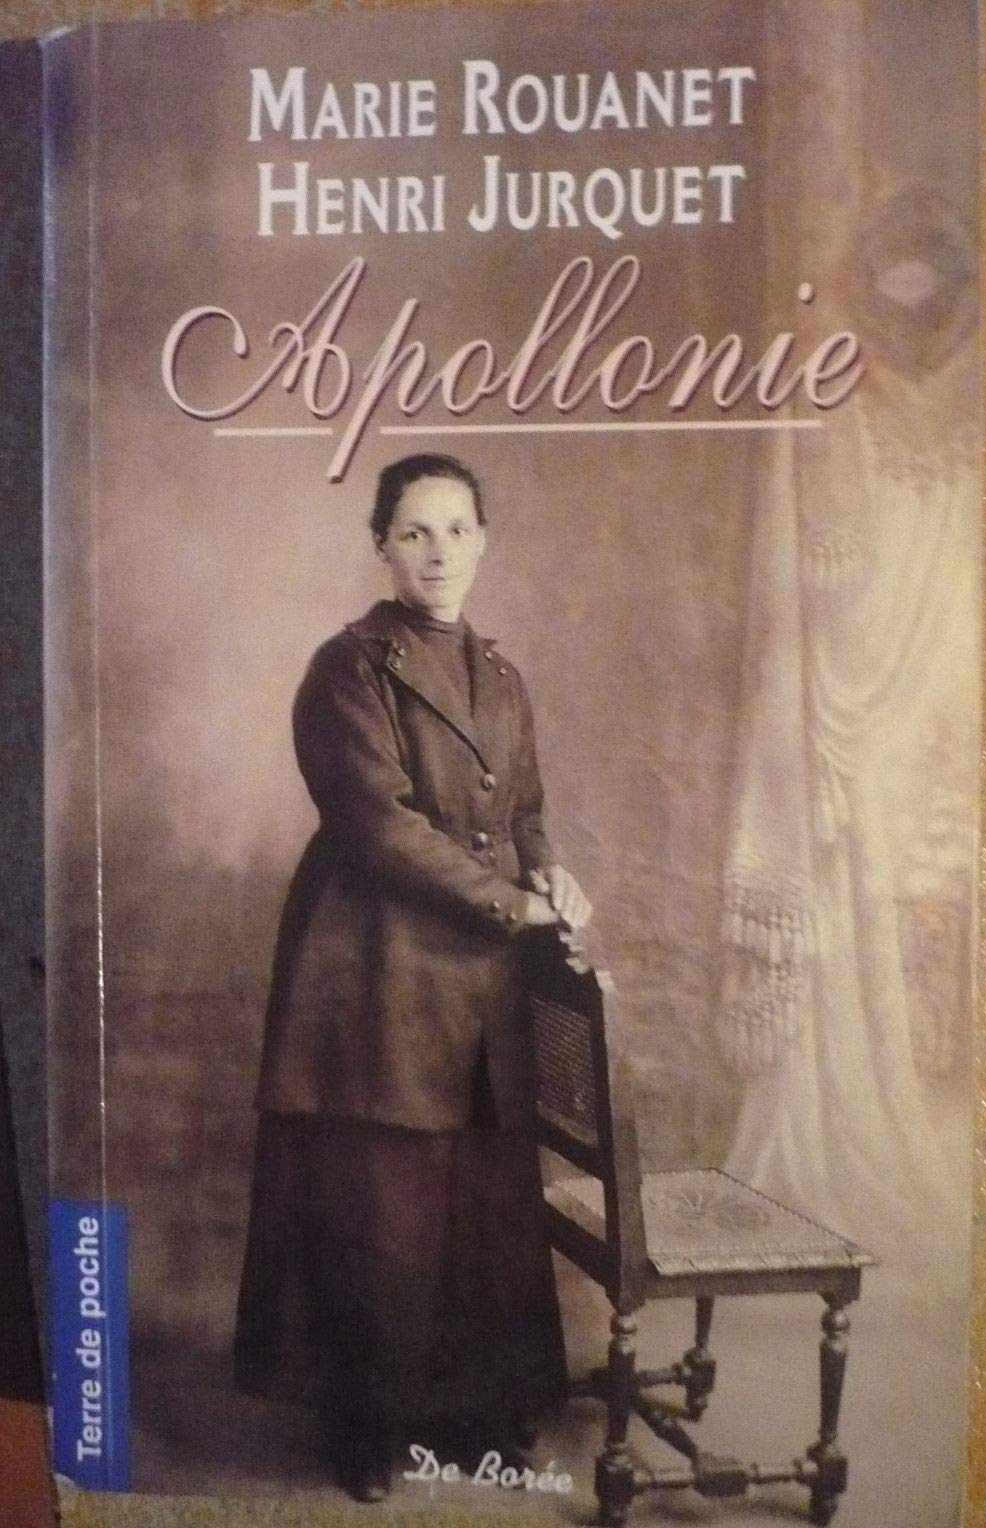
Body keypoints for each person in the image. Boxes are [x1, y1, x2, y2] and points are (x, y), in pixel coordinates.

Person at [234, 453, 591, 1501]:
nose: (438, 553)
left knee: (478, 1205)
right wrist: (512, 906)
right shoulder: (348, 667)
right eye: (415, 532)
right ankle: (364, 1423)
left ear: (484, 540)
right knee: (380, 1204)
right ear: (381, 545)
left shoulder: (502, 677)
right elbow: (378, 827)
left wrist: (551, 873)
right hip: (375, 969)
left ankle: (472, 1412)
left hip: (480, 983)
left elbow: (524, 810)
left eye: (457, 530)